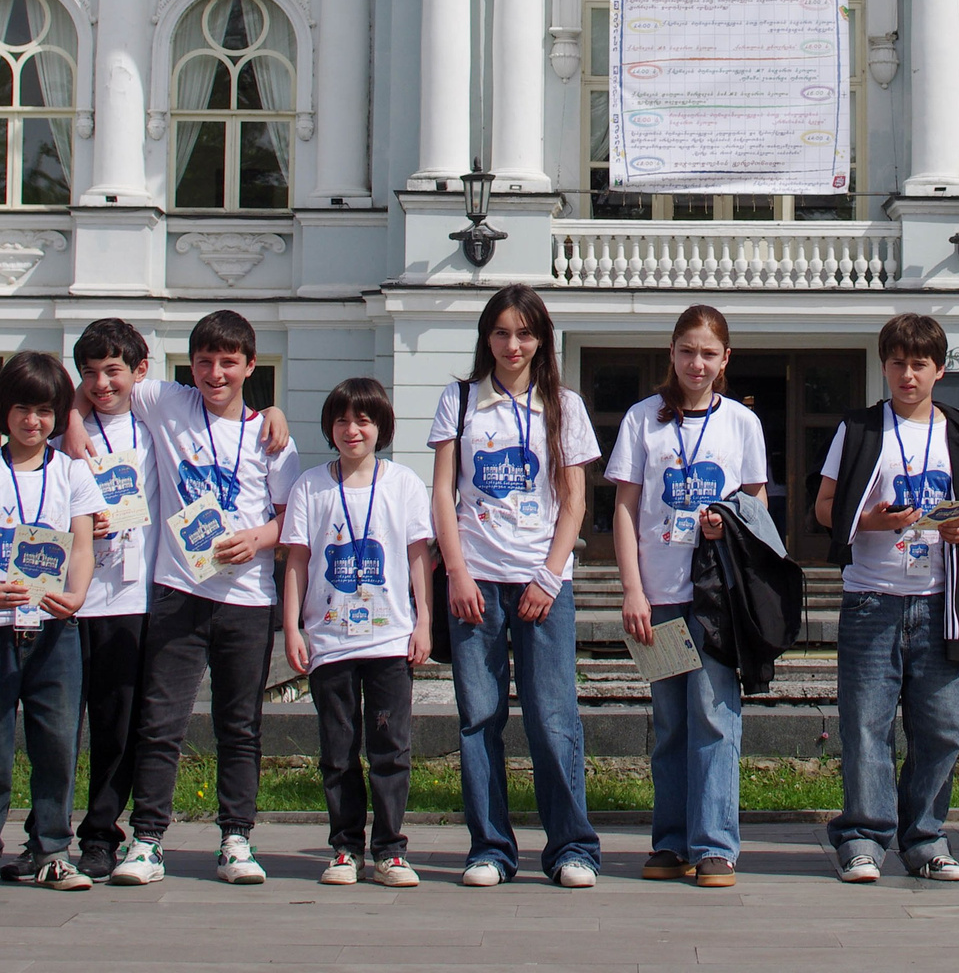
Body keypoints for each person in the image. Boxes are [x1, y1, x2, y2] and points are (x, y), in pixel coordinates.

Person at [77, 310, 299, 888]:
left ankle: (236, 838)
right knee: (160, 720)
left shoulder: (269, 435)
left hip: (247, 598)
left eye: (229, 362)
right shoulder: (167, 402)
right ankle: (148, 840)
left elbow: (286, 520)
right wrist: (75, 425)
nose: (215, 373)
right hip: (177, 592)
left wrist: (258, 538)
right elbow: (98, 383)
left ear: (251, 367)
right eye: (204, 362)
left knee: (239, 724)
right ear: (188, 366)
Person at [813, 312, 959, 884]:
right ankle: (865, 838)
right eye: (898, 363)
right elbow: (823, 507)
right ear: (884, 367)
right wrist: (866, 520)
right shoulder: (860, 429)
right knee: (866, 724)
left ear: (939, 370)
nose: (908, 375)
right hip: (873, 598)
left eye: (920, 364)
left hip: (940, 599)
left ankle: (925, 839)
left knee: (941, 726)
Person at [429, 285, 602, 889]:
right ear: (486, 337)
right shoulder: (459, 401)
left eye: (524, 333)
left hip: (542, 586)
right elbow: (443, 497)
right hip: (475, 585)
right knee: (479, 718)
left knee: (553, 718)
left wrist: (549, 576)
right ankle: (491, 848)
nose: (512, 344)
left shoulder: (564, 405)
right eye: (501, 332)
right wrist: (456, 573)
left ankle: (571, 847)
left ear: (541, 340)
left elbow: (575, 498)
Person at [606, 304, 771, 889]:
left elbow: (757, 509)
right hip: (660, 599)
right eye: (686, 351)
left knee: (715, 717)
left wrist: (731, 524)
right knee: (671, 721)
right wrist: (632, 590)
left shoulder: (741, 425)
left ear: (725, 360)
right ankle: (671, 842)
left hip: (716, 598)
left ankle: (716, 847)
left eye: (708, 353)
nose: (696, 363)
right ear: (670, 353)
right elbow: (624, 508)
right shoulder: (642, 420)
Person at [0, 353, 99, 891]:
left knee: (57, 742)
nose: (34, 421)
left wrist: (76, 595)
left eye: (46, 410)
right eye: (22, 409)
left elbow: (82, 544)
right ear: (2, 411)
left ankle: (53, 849)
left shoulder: (72, 472)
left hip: (56, 631)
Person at [284, 378, 434, 888]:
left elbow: (418, 558)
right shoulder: (310, 486)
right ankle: (345, 848)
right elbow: (298, 562)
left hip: (389, 638)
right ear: (330, 427)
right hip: (328, 639)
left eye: (364, 420)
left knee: (390, 747)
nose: (353, 430)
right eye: (343, 420)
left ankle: (390, 849)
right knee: (338, 748)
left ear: (381, 428)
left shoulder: (404, 484)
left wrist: (423, 622)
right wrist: (291, 628)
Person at [67, 318, 159, 879]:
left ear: (139, 372)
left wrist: (271, 413)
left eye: (113, 372)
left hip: (133, 596)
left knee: (118, 725)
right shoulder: (64, 434)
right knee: (57, 724)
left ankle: (101, 831)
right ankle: (44, 831)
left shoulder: (155, 428)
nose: (102, 384)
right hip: (71, 599)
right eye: (90, 374)